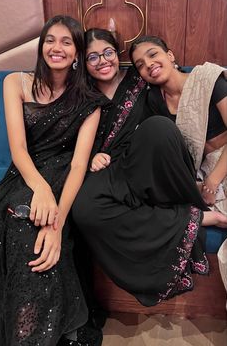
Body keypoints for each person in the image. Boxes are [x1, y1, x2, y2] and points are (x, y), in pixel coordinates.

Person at [72, 28, 227, 310]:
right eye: (92, 57)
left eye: (107, 52)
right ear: (83, 62)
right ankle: (193, 218)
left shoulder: (141, 82)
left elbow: (164, 139)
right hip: (109, 167)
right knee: (84, 208)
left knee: (158, 128)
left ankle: (195, 215)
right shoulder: (80, 93)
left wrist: (211, 181)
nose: (101, 61)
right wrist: (94, 155)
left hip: (150, 162)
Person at [0, 16, 106, 346]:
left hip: (64, 176)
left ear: (77, 54)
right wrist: (40, 188)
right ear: (42, 46)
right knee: (14, 218)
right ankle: (24, 328)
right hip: (27, 172)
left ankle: (32, 334)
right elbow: (19, 149)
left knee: (35, 226)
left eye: (67, 42)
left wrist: (57, 224)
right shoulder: (16, 82)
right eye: (50, 40)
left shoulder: (90, 102)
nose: (57, 47)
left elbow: (79, 163)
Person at [129, 35, 227, 215]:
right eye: (140, 65)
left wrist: (213, 182)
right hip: (199, 172)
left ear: (170, 56)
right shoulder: (154, 100)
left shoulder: (207, 79)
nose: (149, 64)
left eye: (153, 55)